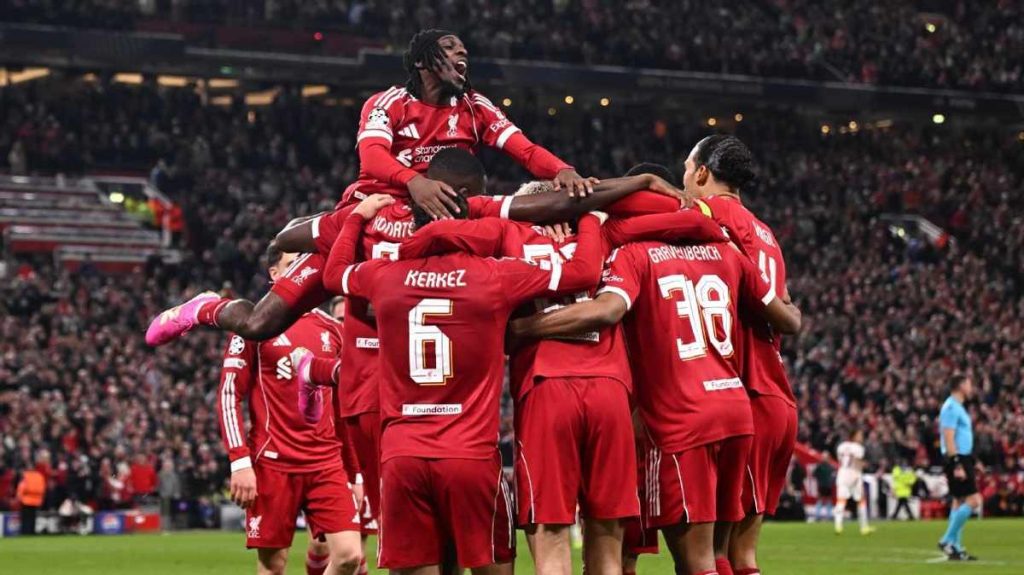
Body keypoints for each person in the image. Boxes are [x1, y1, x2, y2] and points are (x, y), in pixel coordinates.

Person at [390, 176, 726, 575]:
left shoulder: (506, 233)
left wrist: (482, 206)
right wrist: (597, 208)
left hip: (545, 386)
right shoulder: (602, 231)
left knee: (551, 535)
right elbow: (696, 224)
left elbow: (434, 234)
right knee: (606, 534)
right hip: (609, 389)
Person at [318, 193, 609, 574]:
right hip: (469, 455)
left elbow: (333, 273)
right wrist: (587, 218)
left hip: (403, 455)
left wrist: (356, 218)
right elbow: (585, 272)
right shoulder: (497, 274)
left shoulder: (383, 274)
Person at [508, 226, 801, 575]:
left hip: (677, 416)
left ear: (702, 175)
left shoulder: (633, 252)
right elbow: (787, 318)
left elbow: (608, 309)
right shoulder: (726, 247)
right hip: (735, 406)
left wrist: (522, 330)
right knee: (725, 554)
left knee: (687, 561)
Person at [216, 244, 362, 575]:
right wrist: (240, 461)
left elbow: (343, 408)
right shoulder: (254, 325)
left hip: (326, 462)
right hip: (273, 463)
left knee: (350, 556)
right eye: (291, 264)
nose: (301, 272)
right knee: (273, 564)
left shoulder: (332, 329)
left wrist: (354, 472)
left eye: (305, 265)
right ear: (275, 274)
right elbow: (228, 394)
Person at [352, 29, 592, 220]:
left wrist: (562, 170)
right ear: (421, 62)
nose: (461, 52)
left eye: (463, 51)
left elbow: (526, 151)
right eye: (449, 47)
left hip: (448, 211)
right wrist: (415, 182)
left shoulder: (475, 106)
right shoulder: (390, 102)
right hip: (382, 203)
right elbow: (372, 155)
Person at [937, 374, 980, 561]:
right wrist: (957, 464)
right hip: (957, 458)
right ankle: (947, 539)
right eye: (969, 383)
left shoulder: (958, 407)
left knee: (958, 501)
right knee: (974, 500)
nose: (971, 387)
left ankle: (956, 548)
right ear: (961, 385)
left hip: (964, 457)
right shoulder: (951, 407)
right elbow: (948, 436)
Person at [833, 430, 874, 535]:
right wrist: (864, 464)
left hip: (842, 473)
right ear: (854, 436)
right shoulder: (859, 448)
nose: (861, 437)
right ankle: (864, 527)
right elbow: (857, 461)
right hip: (854, 473)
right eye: (859, 435)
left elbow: (840, 460)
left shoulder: (841, 446)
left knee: (841, 500)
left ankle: (838, 526)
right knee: (861, 500)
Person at [16, 462, 46, 536]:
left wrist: (19, 497)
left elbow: (22, 487)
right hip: (36, 501)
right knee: (32, 518)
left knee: (25, 519)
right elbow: (42, 489)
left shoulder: (25, 475)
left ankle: (25, 533)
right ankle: (32, 533)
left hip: (26, 500)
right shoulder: (39, 476)